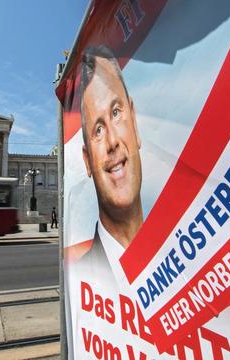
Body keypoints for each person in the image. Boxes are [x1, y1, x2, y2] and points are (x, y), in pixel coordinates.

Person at [76, 45, 143, 285]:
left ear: (134, 125)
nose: (112, 142)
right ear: (87, 161)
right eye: (98, 129)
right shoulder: (79, 280)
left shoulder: (185, 257)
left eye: (116, 112)